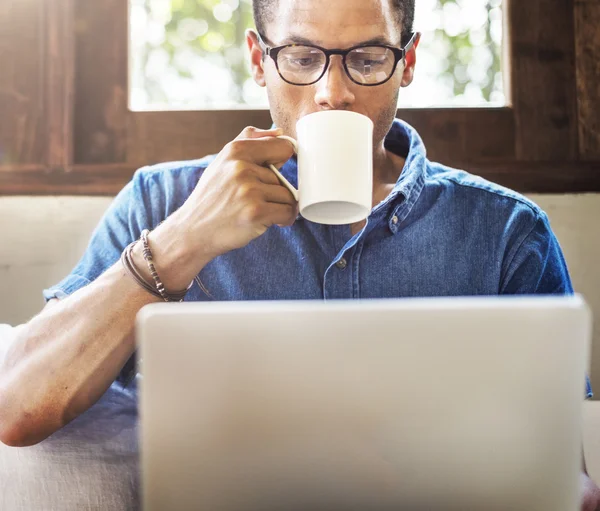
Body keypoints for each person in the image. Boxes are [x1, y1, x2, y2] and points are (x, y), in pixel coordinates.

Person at [0, 0, 598, 507]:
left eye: (366, 60)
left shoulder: (505, 233)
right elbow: (17, 409)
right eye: (302, 58)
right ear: (260, 61)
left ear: (406, 62)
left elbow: (563, 460)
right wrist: (182, 241)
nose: (332, 94)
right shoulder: (161, 204)